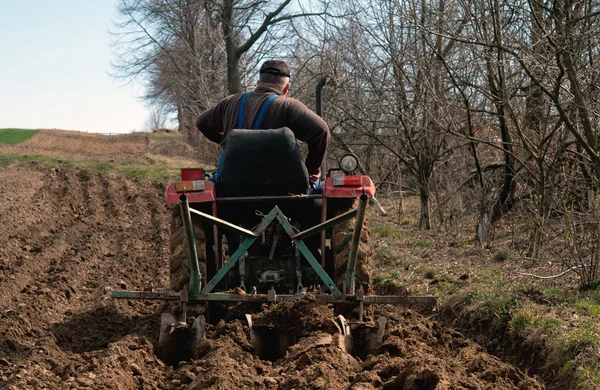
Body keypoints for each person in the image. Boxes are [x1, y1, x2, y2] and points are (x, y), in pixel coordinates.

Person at [196, 60, 330, 186]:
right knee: (320, 189)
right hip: (282, 186)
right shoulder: (288, 106)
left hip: (231, 184)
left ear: (258, 82)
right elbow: (321, 130)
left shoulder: (229, 102)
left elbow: (201, 122)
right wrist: (312, 169)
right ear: (286, 88)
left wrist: (228, 143)